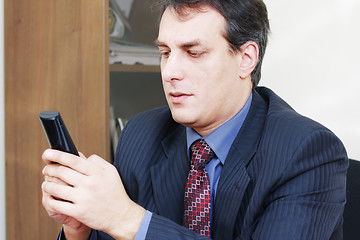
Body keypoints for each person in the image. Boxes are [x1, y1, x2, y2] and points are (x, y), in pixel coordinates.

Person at [41, 0, 349, 239]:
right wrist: (79, 229)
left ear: (245, 59)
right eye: (165, 52)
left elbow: (128, 225)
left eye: (193, 52)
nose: (170, 71)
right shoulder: (142, 133)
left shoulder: (306, 151)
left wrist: (128, 219)